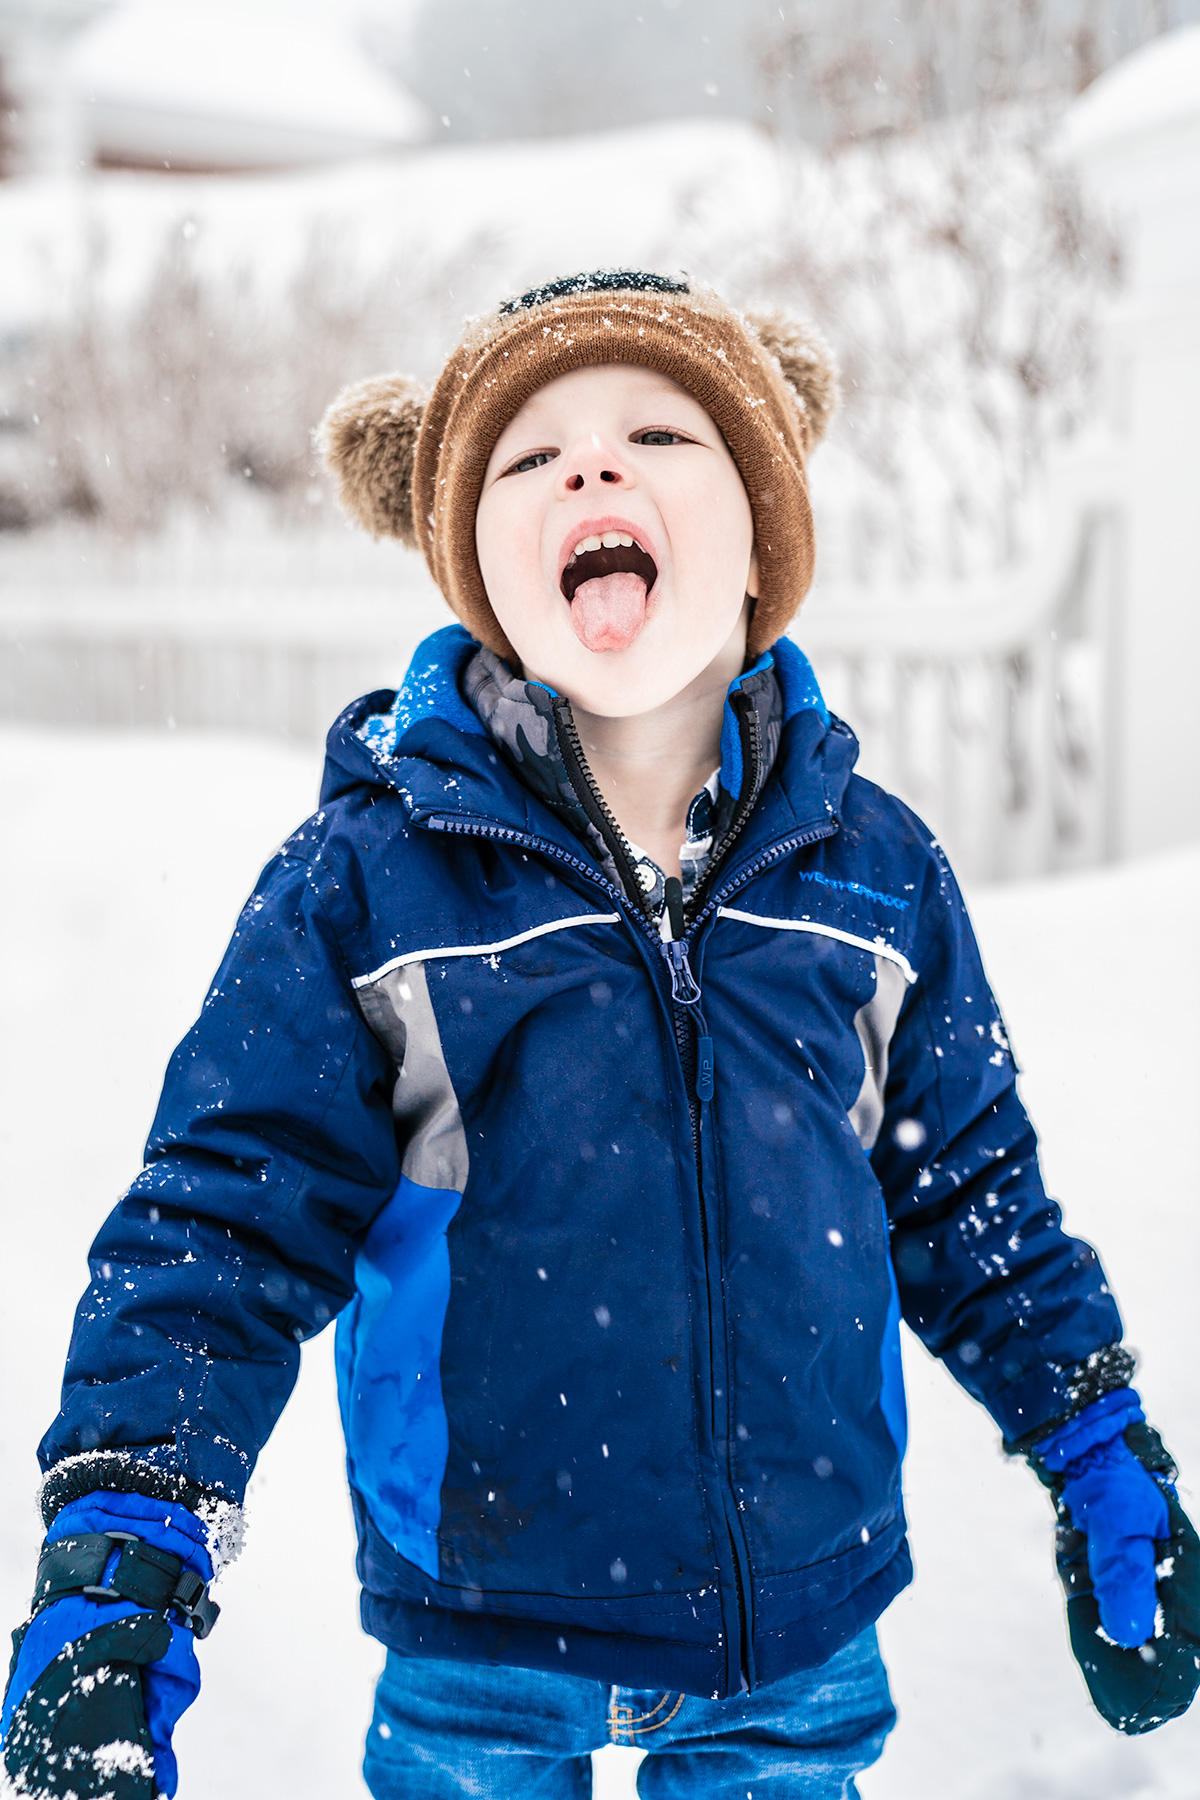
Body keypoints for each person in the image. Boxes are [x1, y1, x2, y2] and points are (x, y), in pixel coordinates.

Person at [3, 270, 1197, 1800]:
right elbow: (218, 1231)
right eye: (528, 455)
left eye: (658, 432)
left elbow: (973, 1199)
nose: (592, 466)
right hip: (482, 1637)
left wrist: (1099, 1447)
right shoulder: (369, 889)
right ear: (475, 568)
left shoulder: (872, 879)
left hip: (796, 1635)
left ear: (763, 535)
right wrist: (125, 1560)